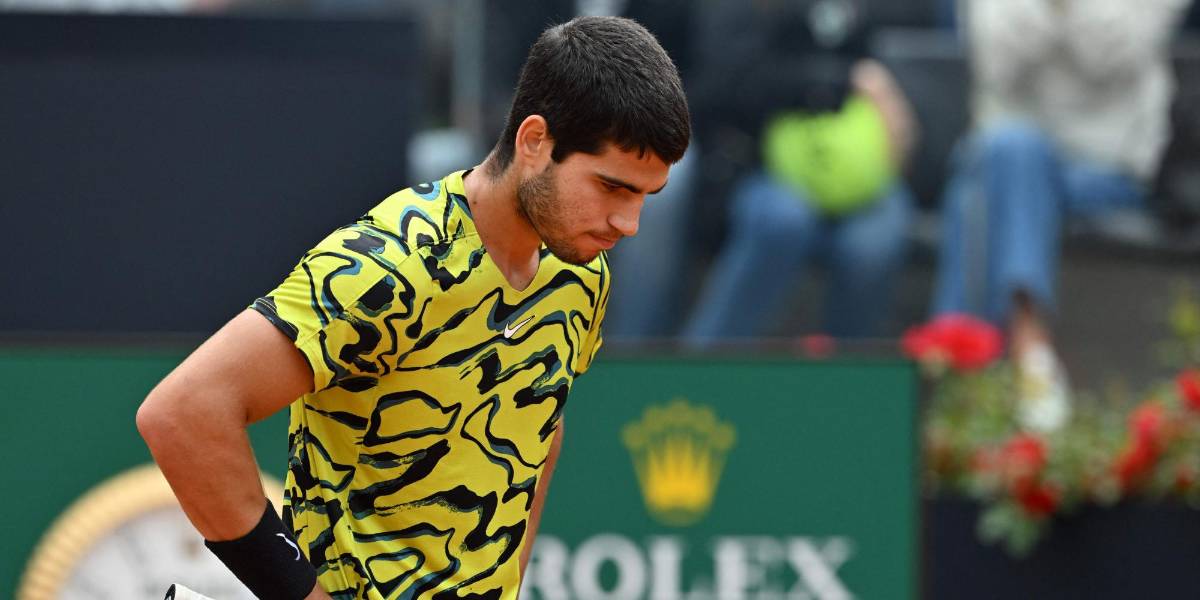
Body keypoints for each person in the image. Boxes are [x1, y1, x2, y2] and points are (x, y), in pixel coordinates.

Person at [136, 15, 689, 600]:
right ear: (534, 142)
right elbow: (183, 415)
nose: (628, 224)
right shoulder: (393, 263)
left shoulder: (581, 273)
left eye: (646, 197)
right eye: (612, 187)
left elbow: (538, 425)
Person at [932, 0, 1188, 431]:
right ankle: (1029, 349)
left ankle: (954, 380)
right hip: (1006, 159)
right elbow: (998, 61)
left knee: (977, 189)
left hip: (1107, 167)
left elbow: (1113, 54)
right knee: (1013, 154)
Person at [682, 0, 919, 345]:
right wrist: (838, 81)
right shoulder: (734, 11)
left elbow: (883, 81)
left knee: (876, 238)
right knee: (783, 220)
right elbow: (723, 89)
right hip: (754, 168)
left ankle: (849, 382)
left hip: (855, 180)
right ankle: (702, 363)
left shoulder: (854, 10)